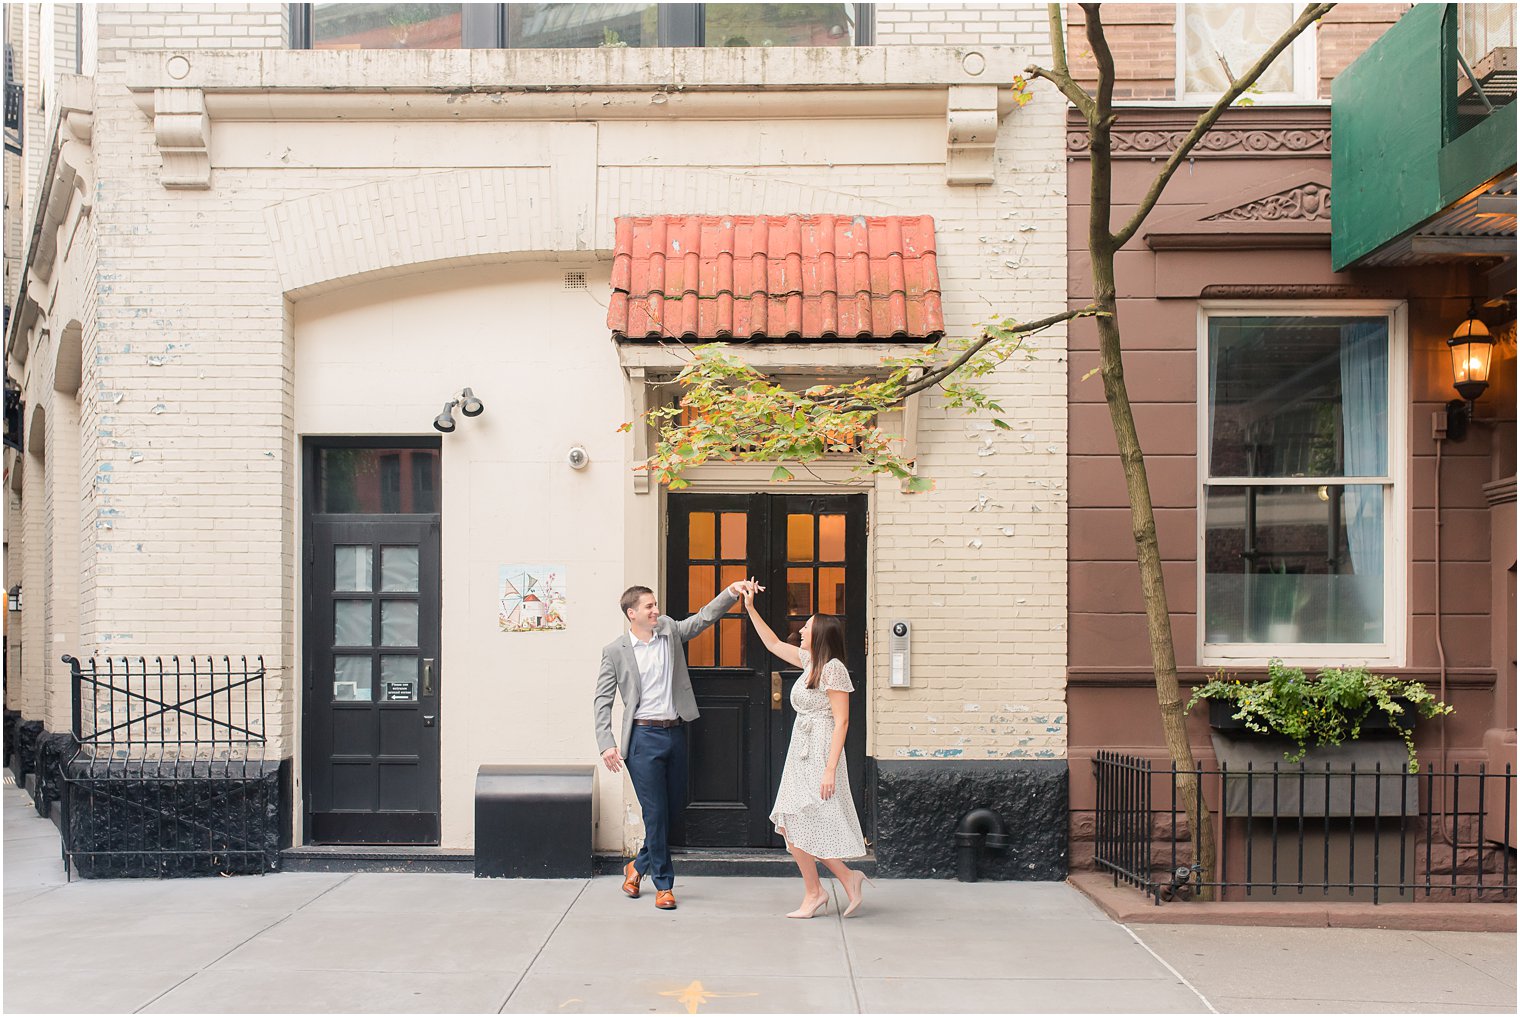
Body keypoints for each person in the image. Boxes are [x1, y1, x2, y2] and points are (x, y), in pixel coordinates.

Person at [594, 578, 758, 911]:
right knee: (655, 813)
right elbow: (602, 700)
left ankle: (637, 866)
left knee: (666, 813)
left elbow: (702, 619)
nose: (657, 610)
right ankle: (664, 885)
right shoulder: (615, 652)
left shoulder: (668, 630)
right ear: (632, 613)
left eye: (656, 605)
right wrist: (606, 743)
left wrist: (730, 592)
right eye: (649, 606)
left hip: (675, 733)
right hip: (641, 739)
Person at [742, 591, 873, 918]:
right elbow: (772, 644)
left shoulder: (833, 669)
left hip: (821, 752)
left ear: (821, 635)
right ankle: (821, 888)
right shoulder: (809, 662)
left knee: (807, 817)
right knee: (791, 818)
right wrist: (748, 607)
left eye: (807, 627)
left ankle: (837, 881)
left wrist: (829, 769)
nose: (801, 631)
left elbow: (842, 720)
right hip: (801, 752)